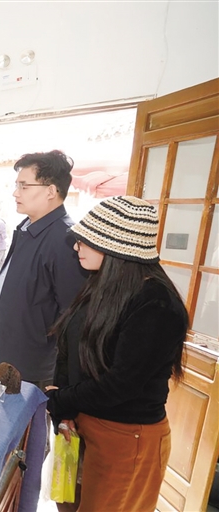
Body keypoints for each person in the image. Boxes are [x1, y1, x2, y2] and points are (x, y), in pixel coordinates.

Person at [46, 196, 188, 511]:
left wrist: (62, 399)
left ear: (116, 247)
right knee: (68, 505)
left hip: (125, 437)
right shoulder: (100, 286)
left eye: (86, 241)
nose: (76, 247)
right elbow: (69, 346)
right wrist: (65, 411)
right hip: (80, 423)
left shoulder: (157, 304)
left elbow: (121, 384)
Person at [0, 150, 88, 390]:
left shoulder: (65, 238)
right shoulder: (28, 226)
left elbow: (72, 316)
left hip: (31, 367)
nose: (16, 192)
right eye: (17, 185)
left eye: (24, 186)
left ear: (51, 191)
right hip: (4, 352)